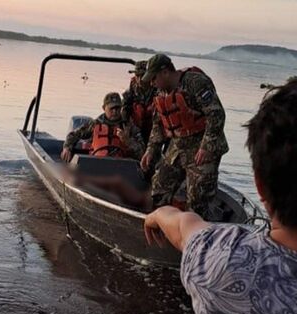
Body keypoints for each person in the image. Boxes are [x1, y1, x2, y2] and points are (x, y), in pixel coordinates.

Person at [143, 72, 297, 314]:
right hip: (182, 151)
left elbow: (183, 225)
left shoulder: (215, 256)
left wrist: (158, 215)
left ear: (259, 185)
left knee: (197, 202)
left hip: (200, 153)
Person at [140, 54, 228, 219]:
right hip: (178, 145)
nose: (152, 83)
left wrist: (206, 146)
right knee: (159, 187)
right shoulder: (161, 92)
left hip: (203, 144)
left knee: (198, 199)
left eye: (153, 78)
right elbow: (158, 125)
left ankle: (200, 233)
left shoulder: (195, 83)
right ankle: (162, 225)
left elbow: (216, 114)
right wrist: (151, 150)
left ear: (165, 72)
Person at [61, 92, 145, 162]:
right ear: (104, 108)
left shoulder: (129, 126)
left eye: (117, 108)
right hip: (97, 165)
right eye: (111, 108)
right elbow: (73, 135)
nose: (115, 111)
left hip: (120, 168)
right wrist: (67, 147)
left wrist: (128, 141)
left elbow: (142, 152)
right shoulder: (95, 124)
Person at [122, 60, 157, 145]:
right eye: (137, 75)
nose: (140, 79)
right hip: (136, 126)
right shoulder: (133, 86)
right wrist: (125, 125)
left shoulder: (157, 87)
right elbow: (125, 106)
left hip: (154, 127)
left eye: (143, 75)